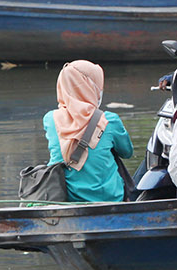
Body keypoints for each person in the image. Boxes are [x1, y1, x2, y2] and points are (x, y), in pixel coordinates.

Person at [43, 59, 134, 202]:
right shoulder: (110, 120)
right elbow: (127, 153)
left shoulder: (50, 119)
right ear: (92, 86)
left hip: (64, 198)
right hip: (110, 198)